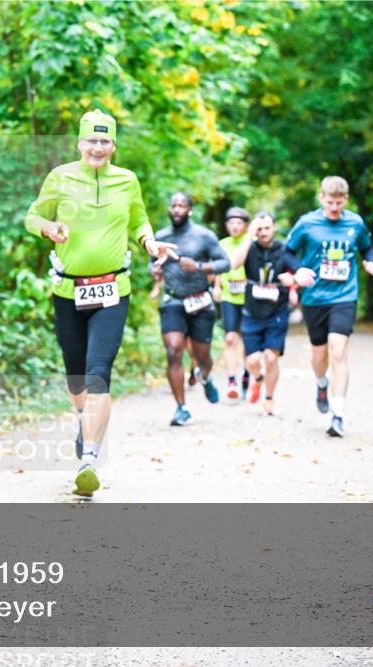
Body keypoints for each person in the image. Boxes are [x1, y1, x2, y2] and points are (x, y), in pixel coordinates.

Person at [25, 109, 177, 497]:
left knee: (98, 372)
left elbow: (139, 220)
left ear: (113, 145)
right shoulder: (60, 177)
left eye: (104, 140)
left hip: (112, 289)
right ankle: (84, 419)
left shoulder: (127, 180)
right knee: (76, 377)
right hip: (68, 291)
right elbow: (32, 217)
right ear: (79, 143)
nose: (97, 147)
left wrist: (149, 242)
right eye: (91, 140)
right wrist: (48, 227)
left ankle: (89, 460)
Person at [286, 176, 373, 437]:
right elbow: (287, 252)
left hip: (344, 296)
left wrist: (370, 262)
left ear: (346, 199)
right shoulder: (307, 223)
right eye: (330, 202)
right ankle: (321, 383)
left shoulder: (355, 223)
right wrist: (298, 270)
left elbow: (367, 248)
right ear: (322, 198)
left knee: (338, 351)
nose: (335, 208)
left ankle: (338, 415)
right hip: (314, 298)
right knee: (319, 356)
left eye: (339, 203)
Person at [150, 193, 230, 426]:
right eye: (173, 205)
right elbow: (151, 263)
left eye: (182, 205)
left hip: (200, 301)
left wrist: (199, 267)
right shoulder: (161, 237)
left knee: (202, 356)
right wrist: (154, 271)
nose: (177, 209)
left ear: (190, 210)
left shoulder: (204, 236)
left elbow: (225, 263)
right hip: (173, 300)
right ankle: (182, 408)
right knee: (173, 350)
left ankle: (205, 376)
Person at [228, 212, 315, 415]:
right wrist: (249, 235)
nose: (264, 232)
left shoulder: (284, 249)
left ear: (274, 227)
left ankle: (269, 399)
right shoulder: (249, 247)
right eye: (259, 229)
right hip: (252, 311)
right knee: (252, 361)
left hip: (277, 312)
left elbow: (297, 270)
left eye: (267, 228)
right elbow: (235, 263)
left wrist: (294, 281)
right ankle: (258, 379)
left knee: (271, 357)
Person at [213, 207, 252, 401]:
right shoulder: (222, 244)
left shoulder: (251, 242)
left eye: (239, 223)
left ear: (246, 226)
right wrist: (217, 286)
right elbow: (219, 267)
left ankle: (246, 375)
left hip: (249, 297)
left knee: (247, 340)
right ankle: (231, 381)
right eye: (231, 223)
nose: (235, 227)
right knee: (230, 338)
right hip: (229, 296)